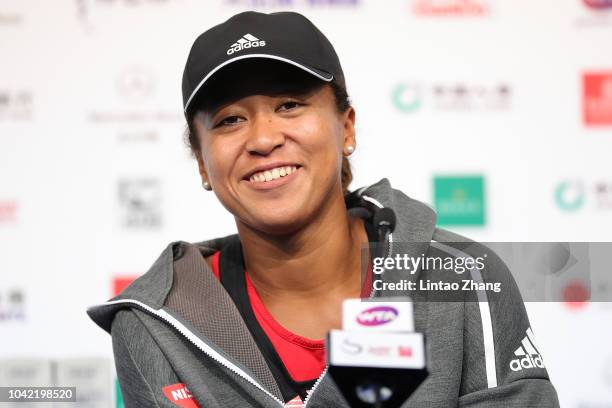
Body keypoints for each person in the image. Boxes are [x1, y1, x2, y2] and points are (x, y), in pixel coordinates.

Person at [88, 11, 560, 407]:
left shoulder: (464, 279)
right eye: (230, 120)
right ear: (203, 163)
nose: (264, 138)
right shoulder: (153, 325)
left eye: (290, 105)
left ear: (347, 128)